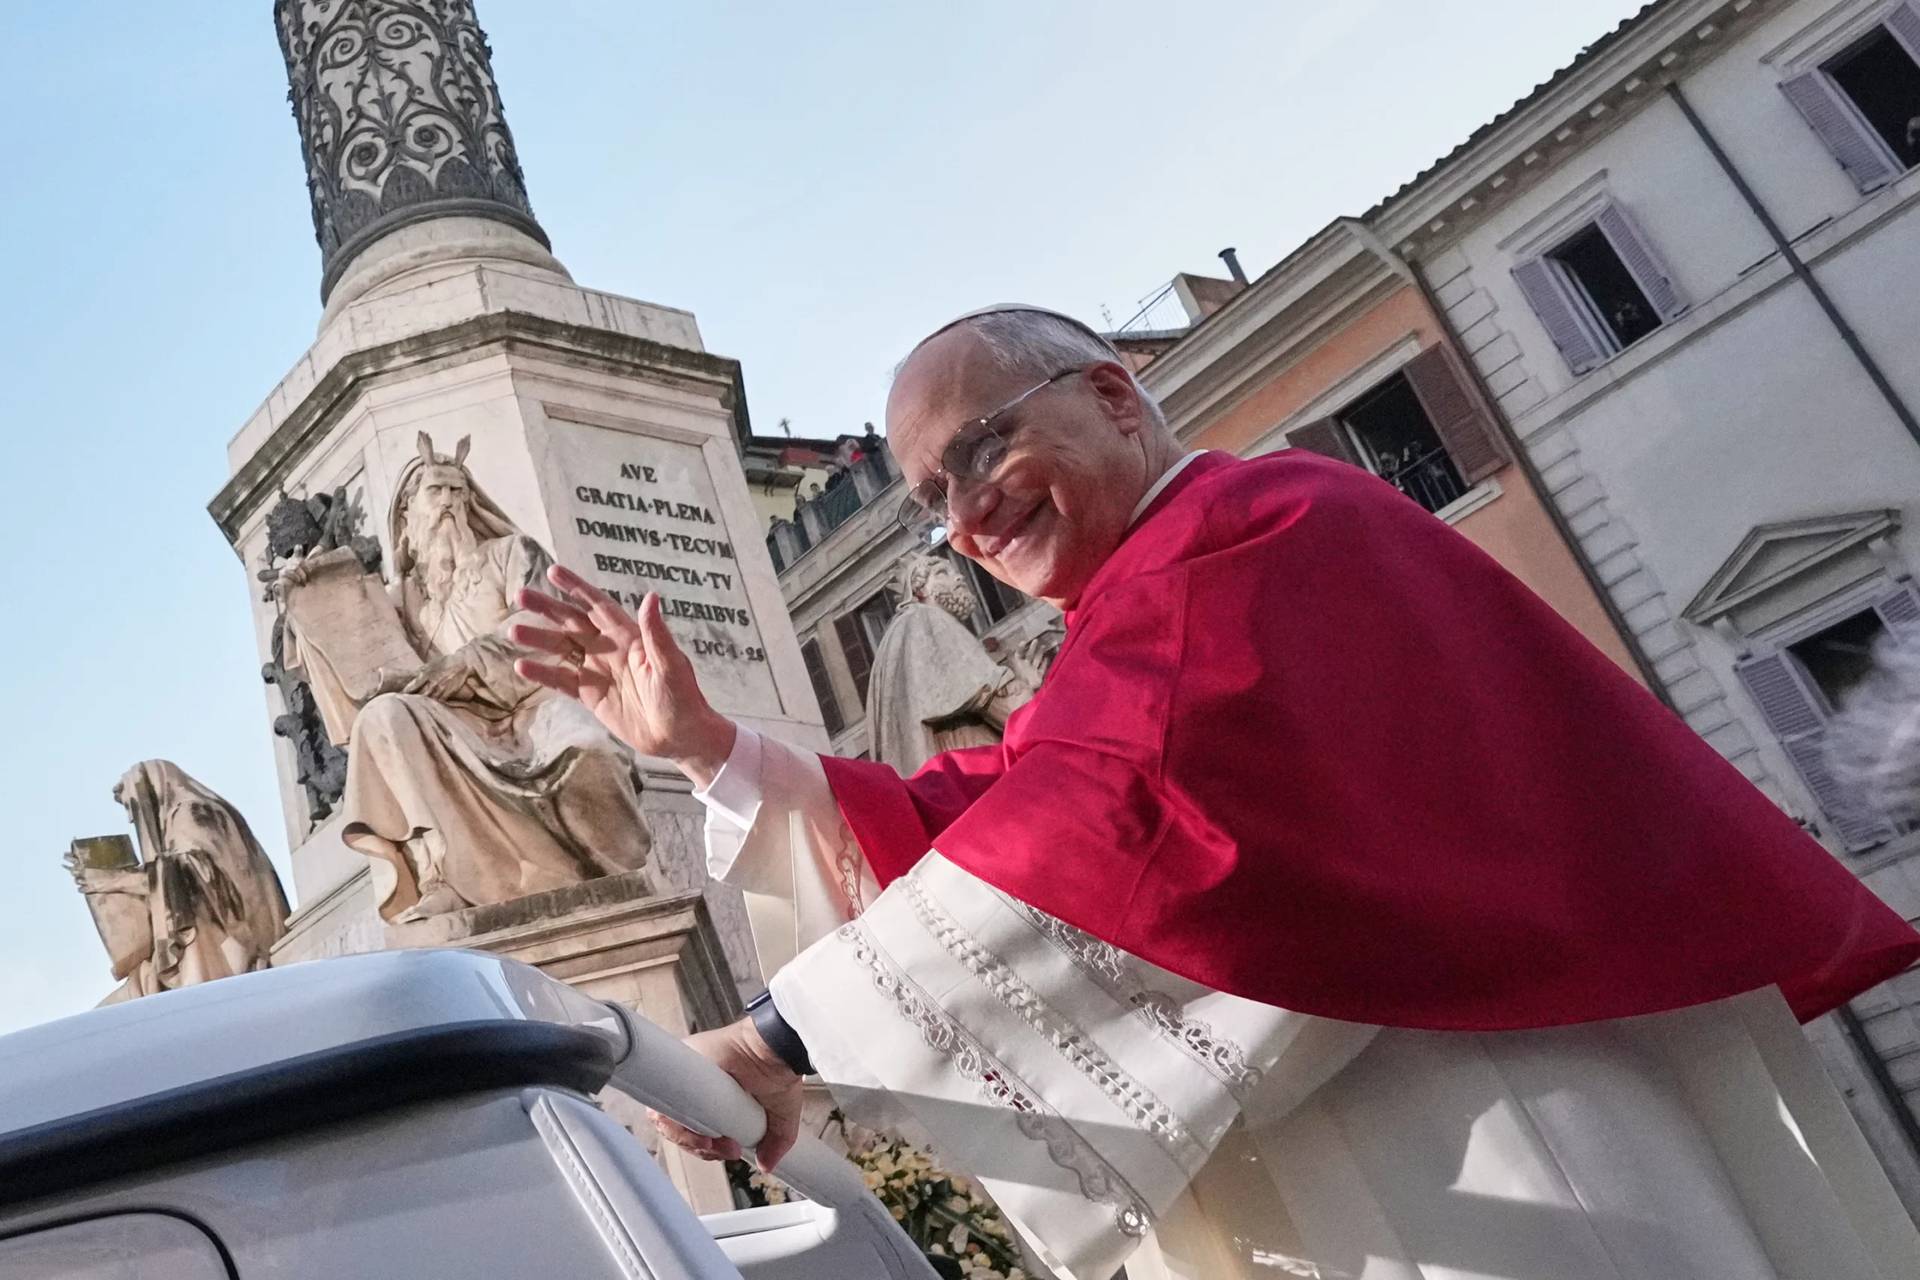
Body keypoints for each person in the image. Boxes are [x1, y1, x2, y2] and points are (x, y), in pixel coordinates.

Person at [513, 307, 1920, 1280]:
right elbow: (1000, 805)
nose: (965, 517)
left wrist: (776, 1042)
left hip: (1496, 1121)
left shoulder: (1262, 533)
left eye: (984, 450)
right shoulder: (1138, 614)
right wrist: (712, 749)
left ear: (1114, 395)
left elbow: (1115, 819)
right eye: (931, 498)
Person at [338, 433, 651, 921]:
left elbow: (543, 626)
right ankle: (442, 873)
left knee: (588, 748)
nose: (448, 503)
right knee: (381, 718)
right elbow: (360, 658)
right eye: (435, 492)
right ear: (407, 514)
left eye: (457, 492)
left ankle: (616, 878)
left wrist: (465, 663)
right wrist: (310, 597)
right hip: (455, 723)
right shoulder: (400, 600)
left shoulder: (512, 554)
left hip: (534, 702)